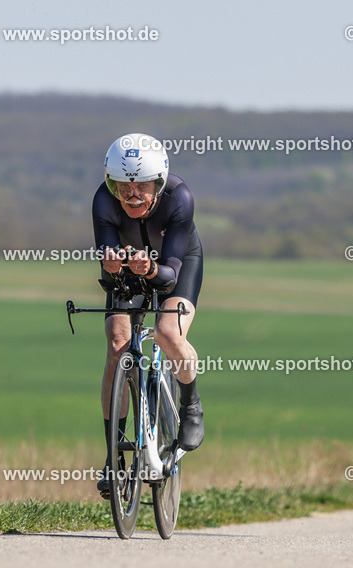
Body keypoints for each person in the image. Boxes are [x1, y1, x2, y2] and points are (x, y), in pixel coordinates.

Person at [92, 133, 204, 497]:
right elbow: (109, 271)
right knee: (117, 344)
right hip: (130, 268)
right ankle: (113, 456)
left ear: (159, 183)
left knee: (169, 335)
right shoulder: (102, 202)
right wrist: (112, 265)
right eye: (122, 187)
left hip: (176, 265)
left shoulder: (179, 198)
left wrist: (150, 271)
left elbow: (169, 272)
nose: (132, 196)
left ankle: (190, 407)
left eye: (141, 186)